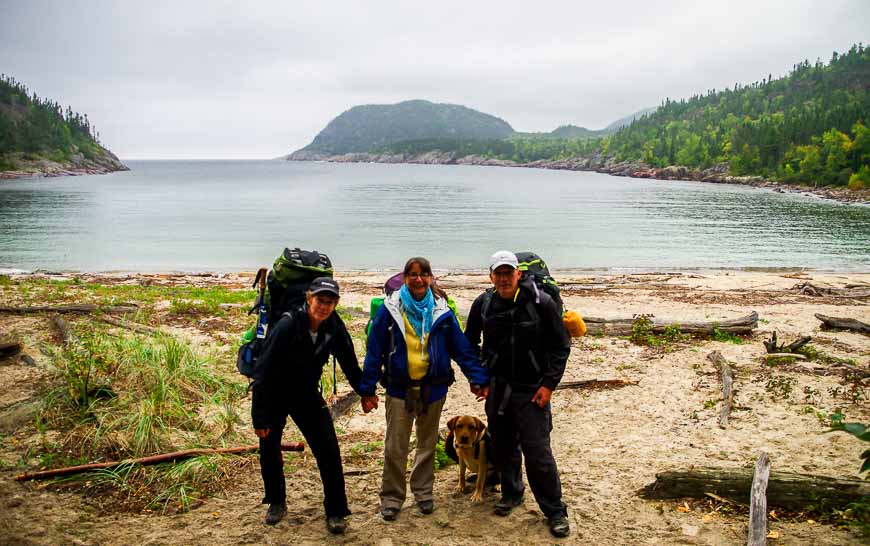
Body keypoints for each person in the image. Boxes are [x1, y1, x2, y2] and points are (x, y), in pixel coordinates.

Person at [359, 256, 489, 521]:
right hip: (399, 390)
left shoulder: (441, 311)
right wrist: (367, 389)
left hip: (433, 390)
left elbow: (461, 349)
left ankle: (423, 494)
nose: (419, 279)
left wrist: (477, 380)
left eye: (424, 274)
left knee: (427, 445)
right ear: (405, 278)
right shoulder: (390, 309)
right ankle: (392, 498)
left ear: (431, 278)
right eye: (413, 274)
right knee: (395, 447)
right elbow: (374, 352)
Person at [464, 250, 572, 538]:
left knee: (538, 453)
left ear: (518, 274)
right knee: (503, 446)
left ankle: (555, 510)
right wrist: (478, 379)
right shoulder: (483, 304)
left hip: (532, 389)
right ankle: (512, 493)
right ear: (490, 276)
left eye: (507, 273)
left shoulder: (541, 302)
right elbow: (468, 344)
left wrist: (549, 384)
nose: (503, 278)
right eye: (497, 273)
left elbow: (561, 346)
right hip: (497, 388)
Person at [251, 277, 364, 535]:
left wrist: (365, 393)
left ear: (336, 304)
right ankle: (276, 502)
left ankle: (336, 511)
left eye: (330, 301)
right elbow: (263, 371)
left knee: (328, 450)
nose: (324, 306)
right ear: (308, 298)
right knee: (269, 449)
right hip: (275, 394)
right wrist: (260, 418)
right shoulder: (287, 325)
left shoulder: (334, 326)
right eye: (320, 300)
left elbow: (349, 361)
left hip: (306, 395)